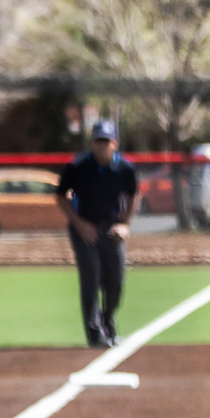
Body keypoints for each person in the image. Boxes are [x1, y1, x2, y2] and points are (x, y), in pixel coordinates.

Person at [56, 121, 139, 348]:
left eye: (107, 142)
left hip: (111, 228)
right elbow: (61, 196)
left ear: (115, 143)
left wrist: (125, 223)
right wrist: (79, 223)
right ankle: (95, 336)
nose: (102, 147)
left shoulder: (124, 168)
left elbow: (133, 195)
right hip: (85, 229)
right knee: (91, 276)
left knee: (116, 279)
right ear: (92, 143)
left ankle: (108, 321)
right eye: (98, 142)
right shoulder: (78, 166)